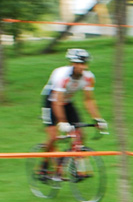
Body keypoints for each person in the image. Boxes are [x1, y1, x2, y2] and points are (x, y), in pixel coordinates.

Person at [38, 48, 107, 178]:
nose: (84, 67)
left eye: (85, 63)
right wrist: (62, 122)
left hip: (68, 102)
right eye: (80, 64)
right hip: (51, 102)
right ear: (73, 64)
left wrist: (98, 119)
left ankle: (77, 169)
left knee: (80, 134)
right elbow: (57, 101)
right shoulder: (62, 75)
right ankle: (43, 165)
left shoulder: (88, 77)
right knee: (53, 137)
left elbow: (89, 100)